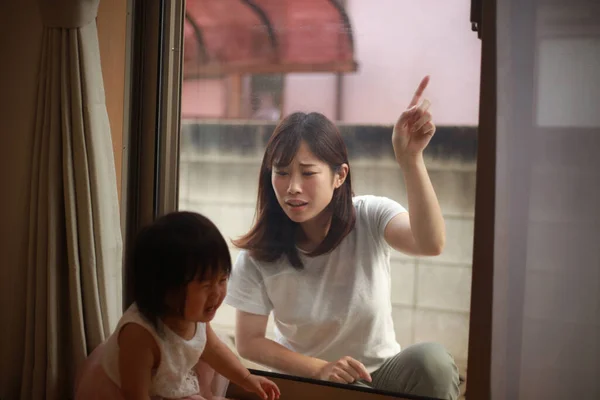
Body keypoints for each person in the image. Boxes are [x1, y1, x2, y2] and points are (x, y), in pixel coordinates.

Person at [224, 77, 460, 400]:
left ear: (340, 175)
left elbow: (430, 243)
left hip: (380, 375)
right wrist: (318, 369)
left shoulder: (369, 216)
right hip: (312, 383)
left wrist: (411, 160)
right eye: (281, 172)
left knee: (434, 363)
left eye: (307, 173)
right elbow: (249, 340)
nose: (292, 186)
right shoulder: (258, 255)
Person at [99, 212, 281, 400]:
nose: (217, 293)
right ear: (166, 289)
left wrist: (247, 378)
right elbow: (134, 394)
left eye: (222, 279)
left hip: (166, 378)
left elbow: (214, 350)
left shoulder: (192, 315)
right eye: (206, 285)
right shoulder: (139, 335)